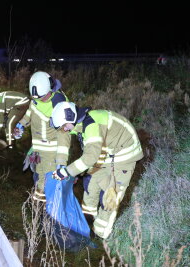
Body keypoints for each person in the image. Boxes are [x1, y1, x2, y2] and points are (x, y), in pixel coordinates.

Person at [50, 101, 143, 239]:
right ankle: (87, 223)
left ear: (70, 120)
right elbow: (69, 143)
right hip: (107, 152)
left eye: (64, 126)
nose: (64, 129)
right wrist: (64, 167)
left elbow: (90, 157)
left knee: (111, 196)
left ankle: (101, 234)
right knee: (91, 185)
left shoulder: (91, 125)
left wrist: (67, 172)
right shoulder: (74, 123)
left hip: (125, 153)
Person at [14, 71, 71, 202]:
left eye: (42, 97)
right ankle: (39, 214)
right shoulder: (36, 99)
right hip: (38, 151)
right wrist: (20, 126)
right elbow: (30, 114)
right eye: (36, 98)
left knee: (47, 187)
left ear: (50, 89)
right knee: (38, 180)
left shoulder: (60, 106)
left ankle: (46, 217)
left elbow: (65, 136)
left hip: (52, 154)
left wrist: (61, 162)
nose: (38, 100)